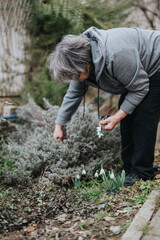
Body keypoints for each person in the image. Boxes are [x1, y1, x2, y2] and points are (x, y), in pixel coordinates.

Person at [47, 26, 160, 187]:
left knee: (143, 116)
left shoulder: (115, 55)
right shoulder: (81, 64)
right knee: (127, 113)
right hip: (139, 70)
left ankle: (142, 173)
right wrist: (59, 125)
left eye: (74, 74)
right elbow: (73, 94)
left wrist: (117, 116)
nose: (74, 78)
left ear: (84, 64)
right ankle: (129, 168)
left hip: (157, 63)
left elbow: (140, 87)